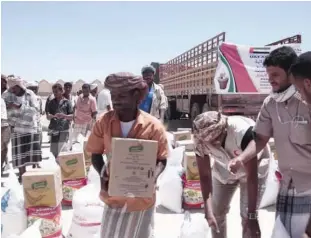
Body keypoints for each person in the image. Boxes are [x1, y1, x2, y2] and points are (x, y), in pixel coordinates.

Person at [228, 46, 311, 238]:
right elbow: (260, 138)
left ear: (291, 73)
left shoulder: (307, 100)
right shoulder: (270, 104)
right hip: (287, 187)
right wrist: (241, 158)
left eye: (276, 74)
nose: (270, 79)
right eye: (268, 74)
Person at [86, 72, 168, 238]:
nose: (115, 100)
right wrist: (105, 174)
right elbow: (95, 154)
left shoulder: (154, 126)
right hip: (113, 196)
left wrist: (151, 178)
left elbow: (162, 159)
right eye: (113, 95)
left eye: (121, 95)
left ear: (136, 96)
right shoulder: (103, 122)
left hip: (141, 199)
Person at [193, 111, 270, 238]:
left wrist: (252, 216)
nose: (212, 145)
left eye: (214, 141)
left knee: (247, 218)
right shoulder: (200, 138)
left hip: (253, 170)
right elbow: (205, 176)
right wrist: (208, 210)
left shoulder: (240, 131)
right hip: (224, 169)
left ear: (222, 132)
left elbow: (252, 176)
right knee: (216, 212)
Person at [2, 76, 42, 182]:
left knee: (32, 156)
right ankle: (22, 176)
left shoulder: (30, 94)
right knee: (19, 156)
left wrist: (19, 106)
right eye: (10, 88)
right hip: (16, 129)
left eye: (14, 88)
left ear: (19, 86)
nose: (12, 90)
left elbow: (36, 110)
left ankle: (34, 176)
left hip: (30, 128)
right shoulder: (7, 95)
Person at [46, 83, 74, 158]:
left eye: (56, 91)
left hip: (64, 129)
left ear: (61, 91)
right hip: (54, 128)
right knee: (54, 150)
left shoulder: (67, 102)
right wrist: (52, 116)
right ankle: (60, 164)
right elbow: (48, 116)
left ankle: (63, 167)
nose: (54, 93)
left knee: (63, 150)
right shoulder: (51, 102)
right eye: (53, 91)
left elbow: (72, 116)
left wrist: (64, 116)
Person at [26, 81, 44, 168]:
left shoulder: (39, 99)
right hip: (28, 125)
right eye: (31, 88)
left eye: (35, 88)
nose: (33, 90)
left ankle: (36, 162)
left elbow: (40, 112)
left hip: (38, 125)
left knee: (38, 144)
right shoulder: (24, 98)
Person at [1, 74, 10, 174]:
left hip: (5, 122)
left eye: (3, 81)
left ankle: (3, 164)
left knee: (4, 146)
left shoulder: (8, 93)